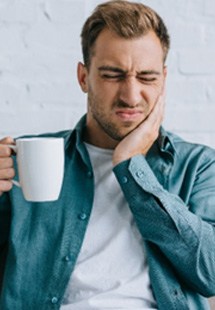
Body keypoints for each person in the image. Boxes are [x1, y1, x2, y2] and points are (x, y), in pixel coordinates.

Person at [0, 0, 215, 309]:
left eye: (147, 77)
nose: (130, 95)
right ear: (84, 77)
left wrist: (131, 166)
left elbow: (210, 274)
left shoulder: (198, 166)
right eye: (113, 75)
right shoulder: (23, 162)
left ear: (164, 80)